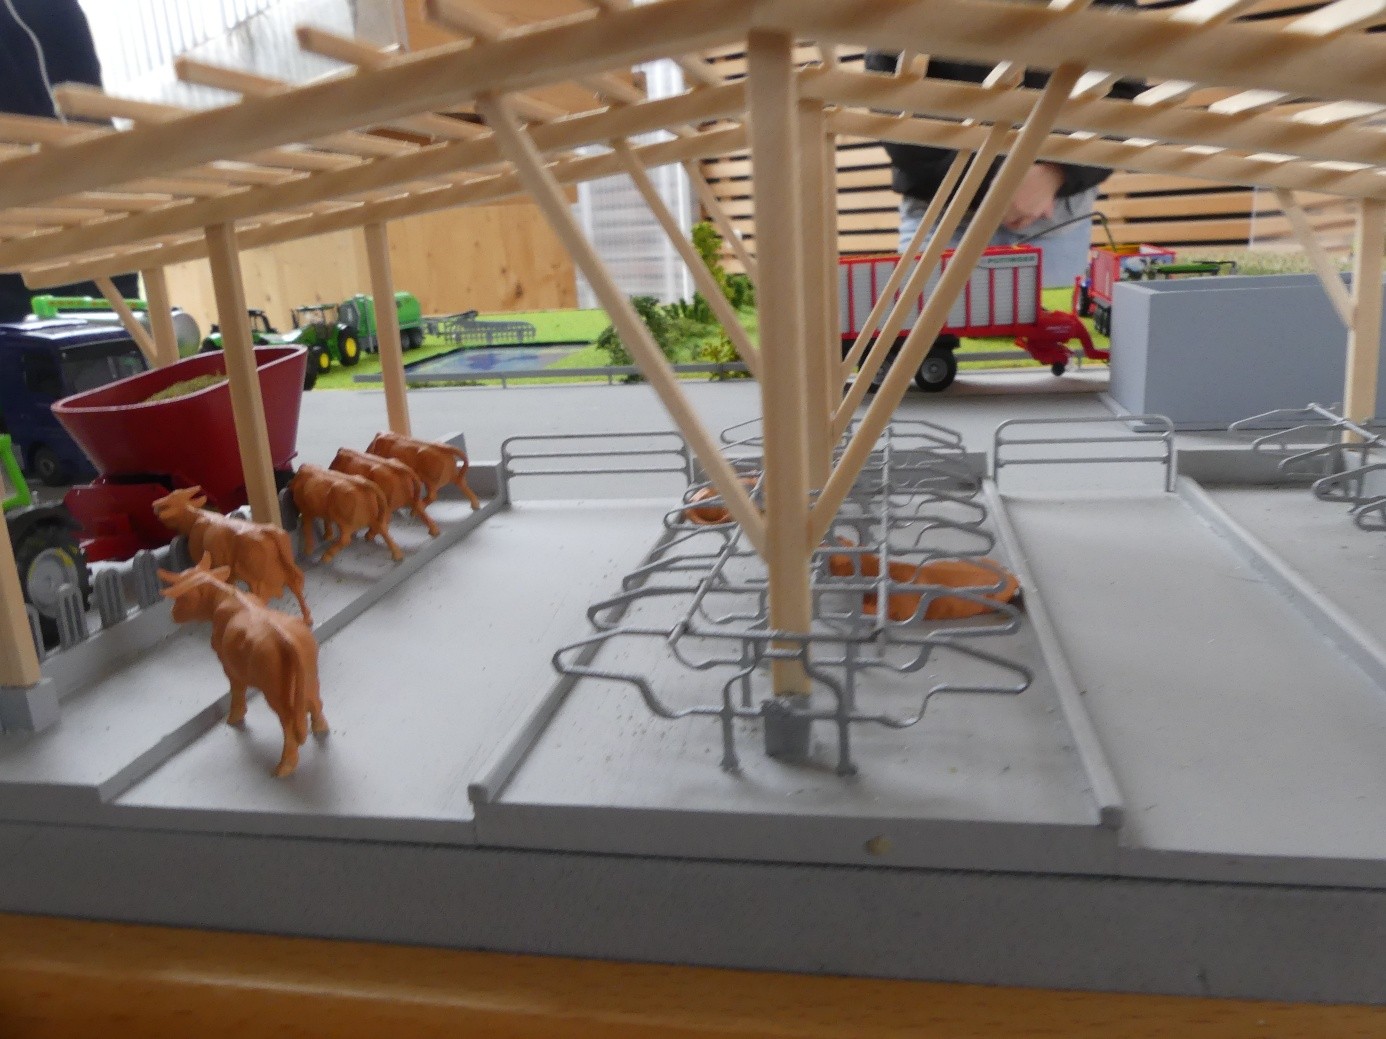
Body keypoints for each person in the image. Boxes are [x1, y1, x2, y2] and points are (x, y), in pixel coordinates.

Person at [864, 0, 1142, 289]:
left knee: (1052, 317)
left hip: (1053, 213)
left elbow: (1122, 90)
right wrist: (1001, 180)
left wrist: (1057, 171)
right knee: (931, 317)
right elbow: (889, 95)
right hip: (944, 210)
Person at [0, 0, 139, 323]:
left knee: (117, 337)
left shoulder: (55, 10)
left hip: (94, 228)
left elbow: (89, 114)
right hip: (22, 253)